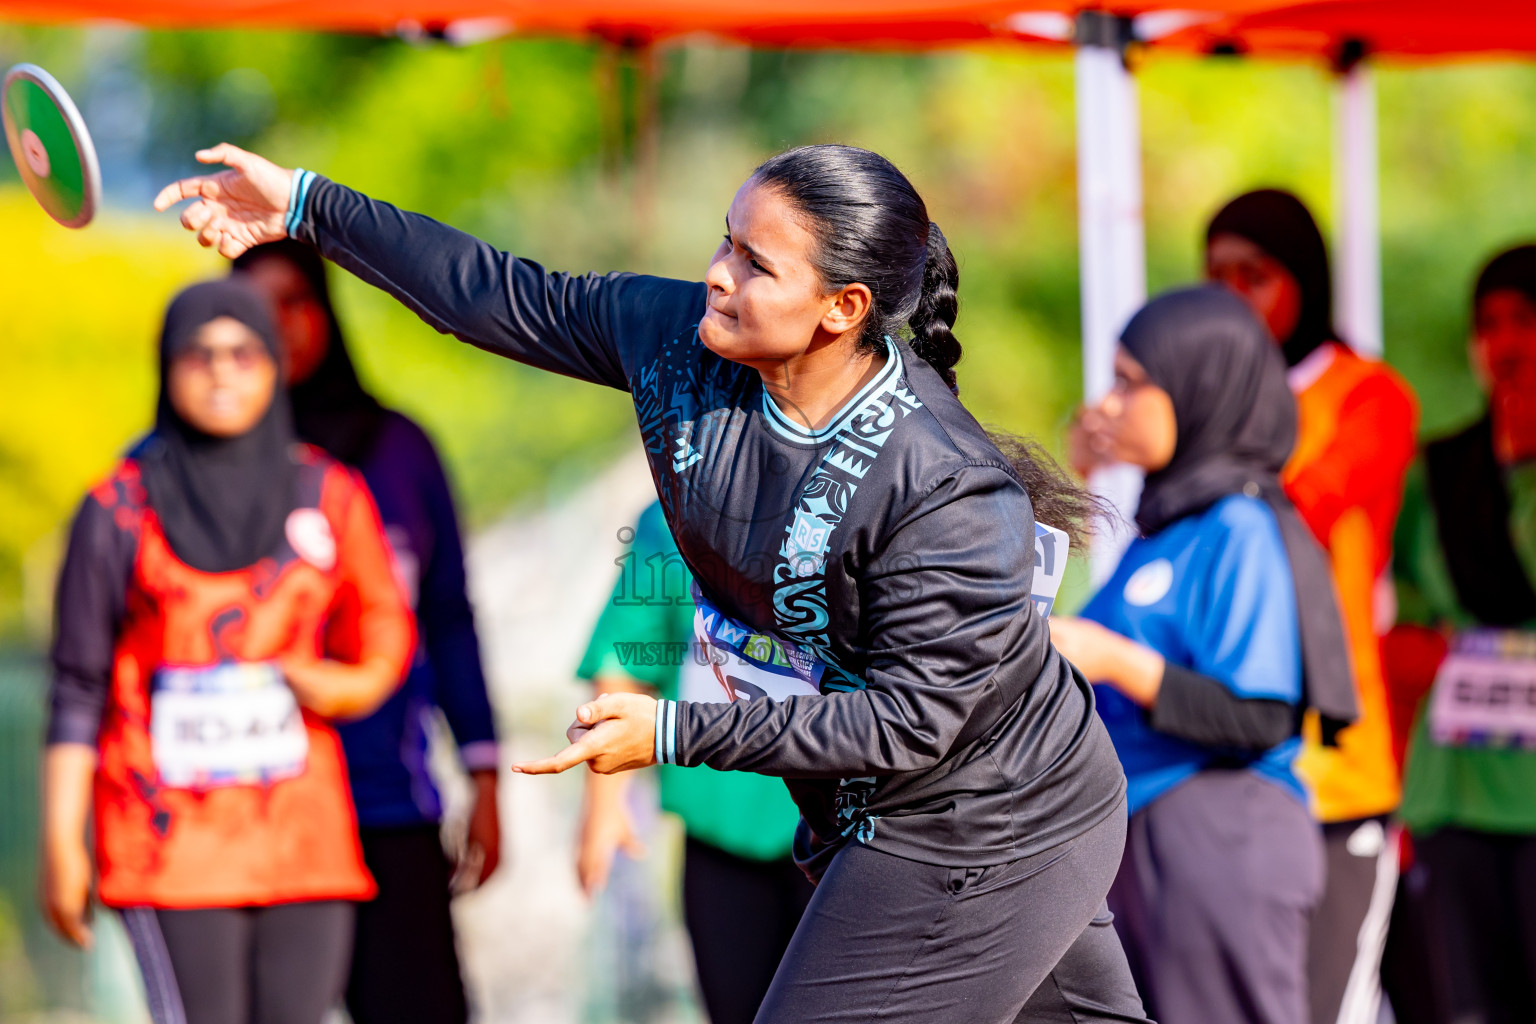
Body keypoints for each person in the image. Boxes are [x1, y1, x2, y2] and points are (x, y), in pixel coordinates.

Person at [154, 141, 1150, 1023]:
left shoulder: (943, 484)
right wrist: (305, 206)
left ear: (842, 308)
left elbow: (907, 725)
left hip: (984, 820)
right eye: (725, 241)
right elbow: (496, 293)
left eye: (755, 264)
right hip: (876, 807)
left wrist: (674, 731)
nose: (716, 275)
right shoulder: (681, 346)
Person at [39, 280, 415, 1024]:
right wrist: (60, 840)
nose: (221, 372)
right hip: (168, 845)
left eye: (244, 353)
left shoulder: (328, 493)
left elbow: (386, 620)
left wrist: (351, 686)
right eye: (198, 354)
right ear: (166, 367)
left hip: (301, 842)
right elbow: (77, 687)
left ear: (276, 366)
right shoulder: (118, 506)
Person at [1054, 286, 1356, 1024]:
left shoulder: (1242, 525)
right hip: (1150, 831)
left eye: (1131, 382)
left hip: (1221, 833)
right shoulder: (1170, 526)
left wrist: (1111, 658)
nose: (1111, 404)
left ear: (1199, 385)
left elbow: (1258, 715)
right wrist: (1079, 478)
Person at [232, 239, 500, 1024]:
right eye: (253, 308)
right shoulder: (187, 472)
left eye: (294, 301)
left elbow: (448, 616)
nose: (276, 326)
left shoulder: (399, 452)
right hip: (248, 817)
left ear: (323, 313)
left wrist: (483, 770)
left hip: (387, 804)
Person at [1205, 189, 1419, 1024]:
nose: (1231, 296)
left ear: (1304, 280)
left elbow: (1307, 505)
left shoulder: (1367, 393)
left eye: (1252, 276)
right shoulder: (1203, 403)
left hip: (1335, 762)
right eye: (1214, 276)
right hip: (1225, 756)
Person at [575, 500, 812, 1024]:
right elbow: (630, 655)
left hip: (859, 830)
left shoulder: (884, 495)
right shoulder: (677, 514)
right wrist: (603, 805)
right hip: (722, 824)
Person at [1389, 244, 1536, 1024]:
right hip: (1456, 788)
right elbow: (1406, 615)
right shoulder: (1439, 472)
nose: (1505, 345)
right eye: (1487, 325)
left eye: (1525, 320)